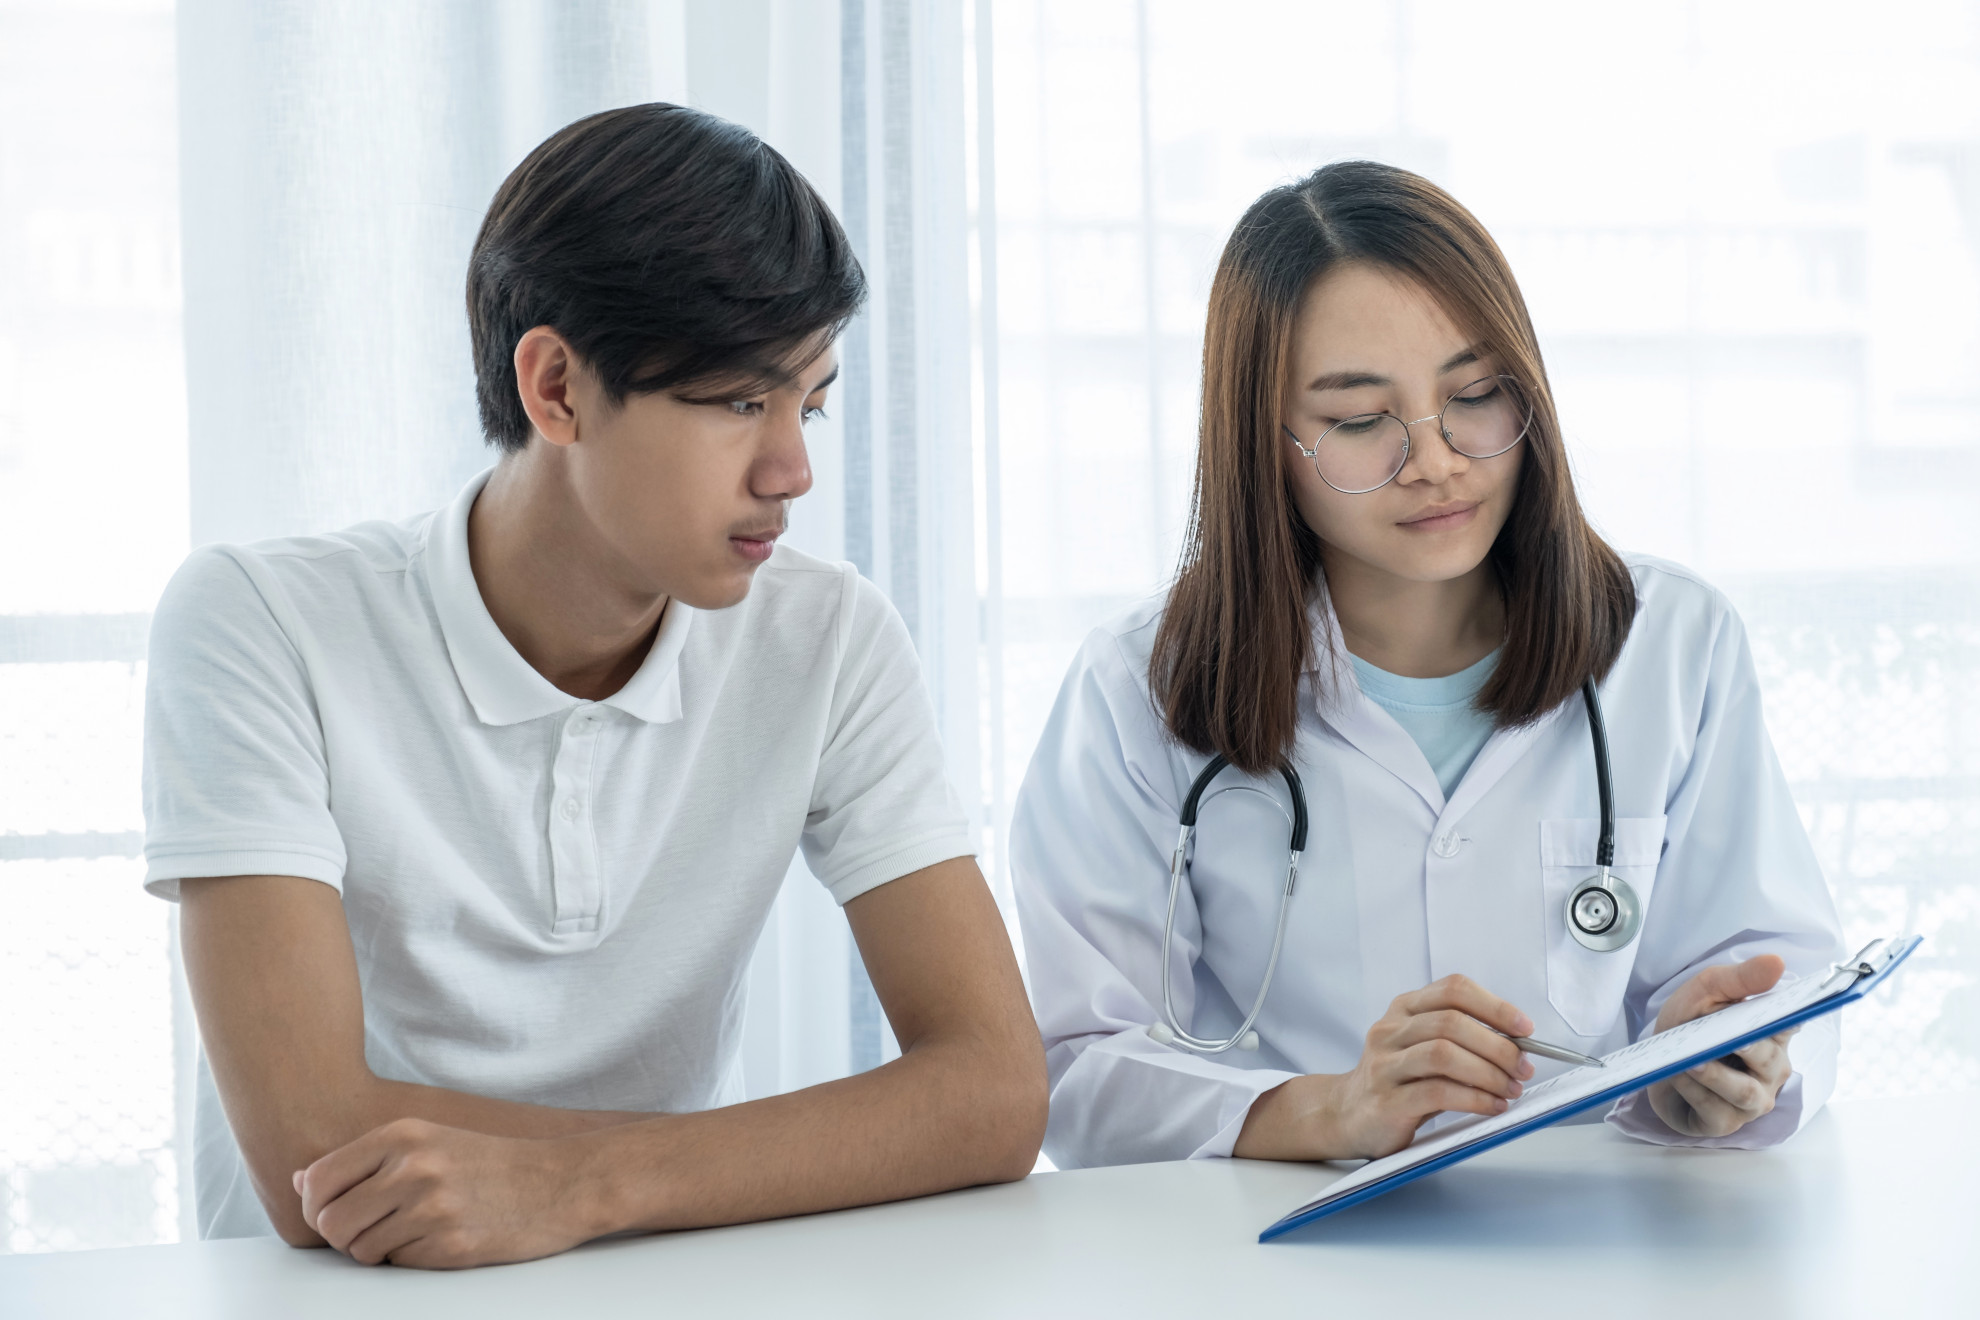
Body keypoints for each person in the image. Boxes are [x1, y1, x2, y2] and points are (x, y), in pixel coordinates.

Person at [142, 103, 1045, 1268]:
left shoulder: (828, 637)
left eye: (808, 403)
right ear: (557, 386)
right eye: (737, 402)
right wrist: (790, 1154)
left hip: (649, 1275)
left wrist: (580, 1186)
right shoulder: (257, 623)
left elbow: (994, 1091)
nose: (793, 470)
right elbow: (312, 1147)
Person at [1010, 160, 1845, 1170]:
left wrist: (1729, 1065)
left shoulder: (1672, 643)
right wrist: (1330, 1112)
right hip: (1278, 1256)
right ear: (1261, 442)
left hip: (1608, 1249)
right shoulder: (1135, 690)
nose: (1436, 459)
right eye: (1361, 421)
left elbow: (1773, 976)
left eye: (1477, 395)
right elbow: (1083, 1067)